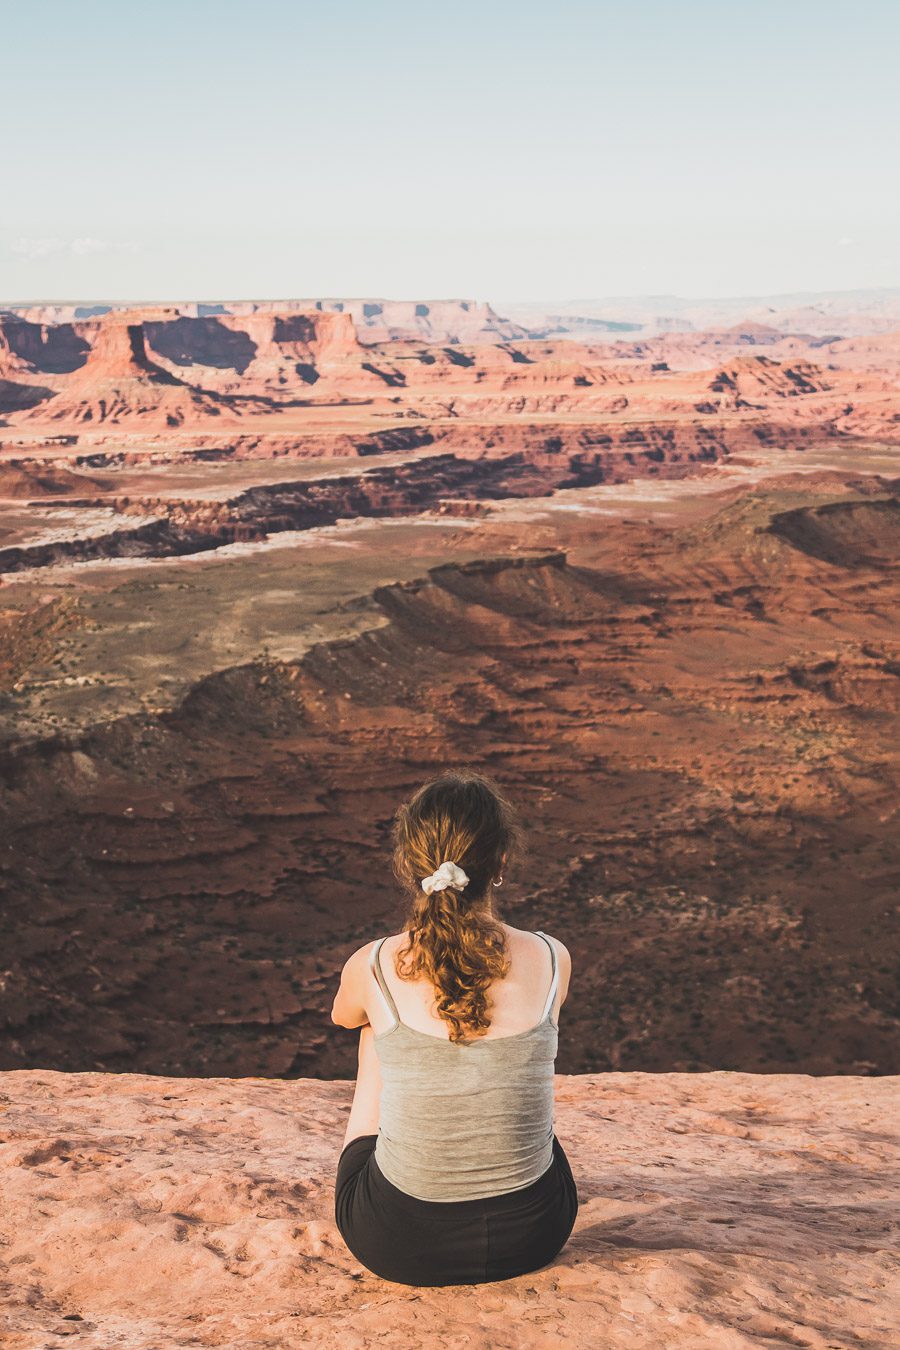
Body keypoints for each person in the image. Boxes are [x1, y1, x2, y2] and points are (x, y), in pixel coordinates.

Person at [331, 768, 578, 1286]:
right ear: (502, 862)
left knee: (376, 1028)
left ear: (408, 865)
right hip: (535, 1232)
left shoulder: (374, 964)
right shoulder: (553, 957)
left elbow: (342, 1016)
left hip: (398, 1241)